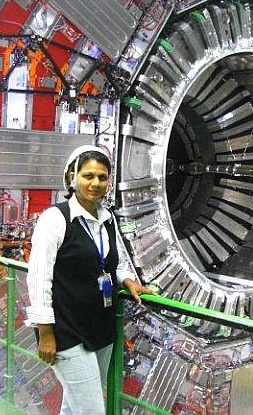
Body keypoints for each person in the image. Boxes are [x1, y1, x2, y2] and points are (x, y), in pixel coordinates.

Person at [26, 145, 153, 414]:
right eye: (88, 176)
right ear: (72, 177)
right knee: (92, 410)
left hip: (100, 328)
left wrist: (127, 280)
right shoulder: (55, 219)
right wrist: (45, 333)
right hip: (66, 331)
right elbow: (38, 277)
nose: (95, 183)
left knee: (74, 408)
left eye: (102, 177)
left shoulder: (107, 220)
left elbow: (107, 264)